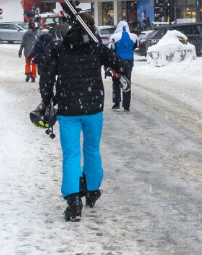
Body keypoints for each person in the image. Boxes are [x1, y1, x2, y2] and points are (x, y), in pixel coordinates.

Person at [42, 12, 128, 222]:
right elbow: (122, 65)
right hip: (93, 108)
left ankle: (73, 200)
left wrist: (47, 99)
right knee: (91, 150)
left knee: (71, 154)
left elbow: (46, 76)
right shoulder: (97, 48)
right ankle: (91, 189)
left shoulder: (60, 48)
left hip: (68, 110)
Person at [110, 21, 136, 112]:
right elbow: (134, 47)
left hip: (117, 62)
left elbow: (112, 49)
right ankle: (126, 105)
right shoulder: (134, 37)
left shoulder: (114, 37)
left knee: (116, 82)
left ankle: (116, 102)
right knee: (127, 82)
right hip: (128, 62)